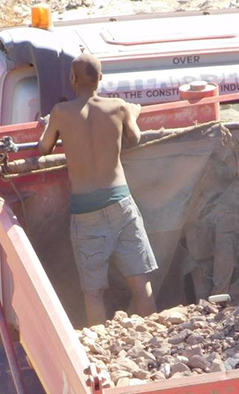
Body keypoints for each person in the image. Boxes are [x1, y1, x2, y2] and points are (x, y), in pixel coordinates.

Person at [38, 53, 157, 326]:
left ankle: (99, 345)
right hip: (121, 204)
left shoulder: (61, 113)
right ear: (101, 78)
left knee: (93, 293)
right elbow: (135, 138)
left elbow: (43, 148)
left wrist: (50, 127)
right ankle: (155, 338)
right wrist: (134, 112)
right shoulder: (118, 107)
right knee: (140, 282)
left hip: (85, 211)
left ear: (72, 79)